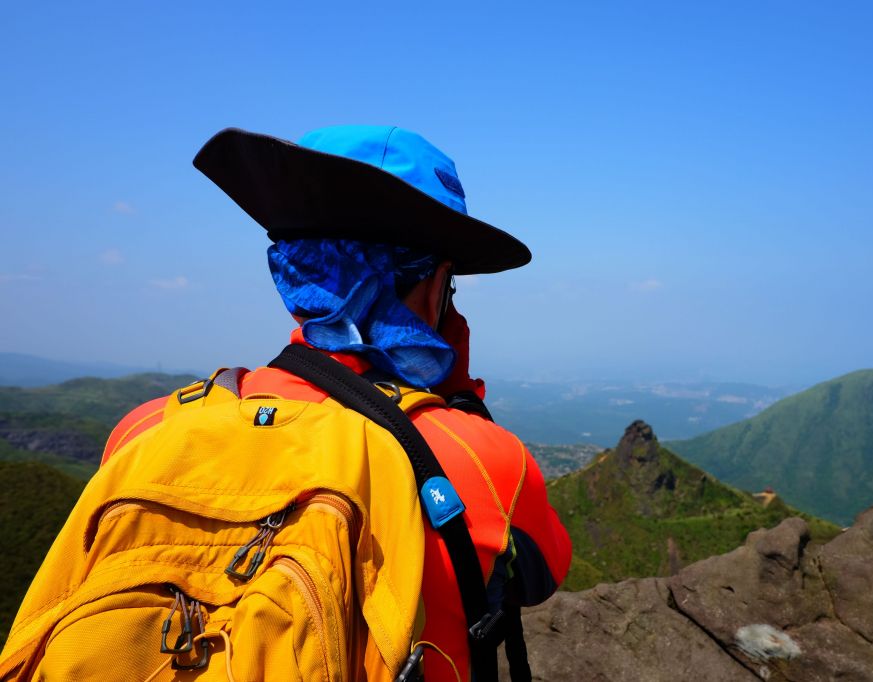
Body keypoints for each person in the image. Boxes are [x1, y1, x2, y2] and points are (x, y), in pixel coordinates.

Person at [100, 125, 572, 681]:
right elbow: (540, 574)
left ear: (300, 277)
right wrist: (454, 400)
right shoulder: (484, 460)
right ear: (434, 285)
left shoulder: (144, 430)